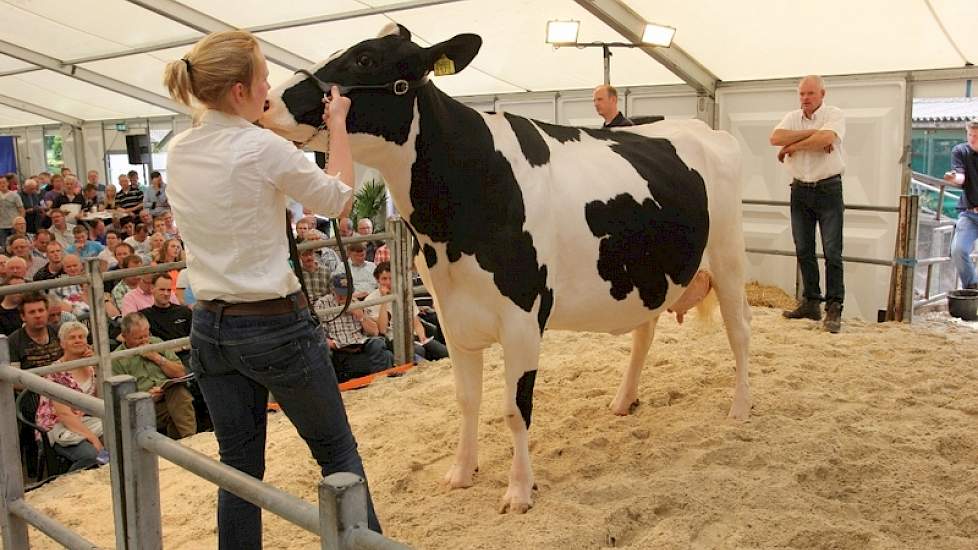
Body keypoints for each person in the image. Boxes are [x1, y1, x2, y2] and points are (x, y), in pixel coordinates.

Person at [163, 29, 380, 546]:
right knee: (336, 453)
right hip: (274, 323)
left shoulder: (180, 147)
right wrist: (337, 127)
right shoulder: (260, 147)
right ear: (240, 90)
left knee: (238, 466)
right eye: (263, 79)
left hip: (210, 327)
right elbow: (340, 200)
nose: (269, 90)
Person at [770, 75, 846, 333]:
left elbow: (826, 140)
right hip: (800, 188)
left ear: (822, 94)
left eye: (810, 94)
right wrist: (811, 134)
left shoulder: (834, 114)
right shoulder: (793, 117)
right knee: (803, 248)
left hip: (828, 188)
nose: (805, 98)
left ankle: (834, 307)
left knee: (832, 250)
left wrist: (792, 146)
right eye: (802, 94)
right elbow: (775, 137)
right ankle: (811, 301)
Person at [112, 312, 196, 439]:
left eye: (146, 335)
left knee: (178, 391)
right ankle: (190, 443)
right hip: (142, 407)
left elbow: (180, 373)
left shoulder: (157, 343)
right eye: (139, 338)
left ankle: (184, 445)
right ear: (124, 336)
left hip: (169, 396)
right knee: (180, 409)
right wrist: (147, 396)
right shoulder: (117, 359)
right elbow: (120, 399)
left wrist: (157, 358)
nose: (144, 341)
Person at [34, 321, 105, 471]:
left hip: (85, 419)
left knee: (119, 441)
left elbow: (100, 401)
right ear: (63, 344)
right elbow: (64, 414)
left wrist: (98, 368)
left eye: (82, 337)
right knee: (90, 455)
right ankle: (67, 486)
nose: (78, 340)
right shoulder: (56, 371)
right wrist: (93, 438)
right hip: (57, 426)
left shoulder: (91, 366)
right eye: (72, 337)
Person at [365, 262, 448, 361]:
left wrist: (422, 336)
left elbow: (416, 322)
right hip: (393, 339)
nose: (388, 282)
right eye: (384, 279)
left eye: (391, 278)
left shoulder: (404, 294)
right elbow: (382, 330)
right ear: (377, 280)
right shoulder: (371, 300)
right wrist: (384, 300)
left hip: (412, 335)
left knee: (443, 351)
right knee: (419, 350)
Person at [315, 274, 392, 380]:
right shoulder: (322, 304)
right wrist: (330, 342)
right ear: (333, 290)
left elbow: (374, 331)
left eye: (347, 293)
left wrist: (361, 316)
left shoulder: (355, 302)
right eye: (340, 294)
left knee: (378, 343)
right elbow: (318, 333)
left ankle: (380, 382)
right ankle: (380, 380)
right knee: (386, 356)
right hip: (340, 347)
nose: (344, 297)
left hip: (359, 343)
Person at [945, 119, 978, 290]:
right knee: (958, 250)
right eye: (970, 135)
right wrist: (953, 178)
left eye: (977, 136)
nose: (973, 140)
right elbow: (961, 177)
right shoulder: (960, 151)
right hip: (970, 212)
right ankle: (972, 287)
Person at [0, 174, 25, 245]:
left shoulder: (15, 195)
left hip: (14, 225)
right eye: (0, 183)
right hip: (1, 226)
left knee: (16, 243)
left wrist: (20, 223)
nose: (2, 185)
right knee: (3, 245)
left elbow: (22, 210)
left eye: (4, 183)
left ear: (8, 183)